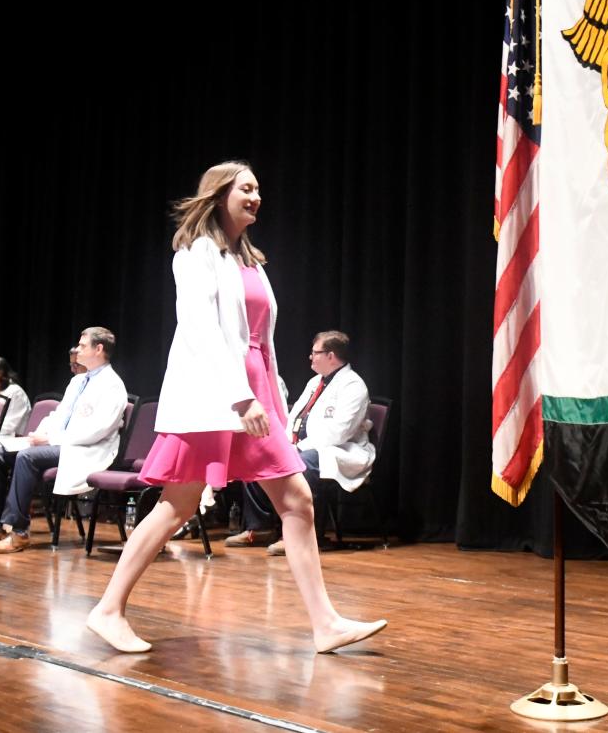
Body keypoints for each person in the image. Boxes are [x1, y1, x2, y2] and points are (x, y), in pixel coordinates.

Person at [86, 160, 386, 654]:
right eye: (246, 188)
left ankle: (325, 623)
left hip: (253, 391)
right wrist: (241, 397)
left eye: (259, 189)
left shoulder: (248, 260)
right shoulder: (196, 252)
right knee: (177, 505)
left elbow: (258, 341)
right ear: (219, 194)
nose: (256, 196)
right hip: (216, 395)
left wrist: (270, 397)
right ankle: (108, 608)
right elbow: (201, 330)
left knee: (297, 501)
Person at [0, 328, 127, 553]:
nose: (77, 349)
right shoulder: (78, 381)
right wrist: (37, 436)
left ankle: (18, 532)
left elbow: (98, 430)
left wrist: (50, 439)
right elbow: (58, 415)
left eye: (82, 345)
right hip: (60, 442)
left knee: (27, 458)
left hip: (87, 449)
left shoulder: (112, 384)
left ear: (99, 349)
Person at [226, 330, 375, 554]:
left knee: (303, 462)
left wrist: (296, 449)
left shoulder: (353, 386)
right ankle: (260, 528)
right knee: (258, 453)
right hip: (304, 447)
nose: (310, 357)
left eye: (315, 353)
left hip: (338, 451)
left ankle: (302, 535)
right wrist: (284, 444)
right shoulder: (315, 382)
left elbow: (339, 433)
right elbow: (294, 417)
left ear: (331, 356)